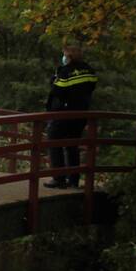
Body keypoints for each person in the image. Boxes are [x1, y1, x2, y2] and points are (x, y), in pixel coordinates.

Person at [44, 44, 98, 188]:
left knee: (54, 142)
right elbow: (92, 87)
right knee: (72, 145)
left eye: (64, 54)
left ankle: (59, 178)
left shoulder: (66, 71)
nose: (63, 57)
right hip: (81, 113)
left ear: (69, 56)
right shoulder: (89, 70)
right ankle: (73, 179)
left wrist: (53, 80)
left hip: (63, 112)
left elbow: (57, 91)